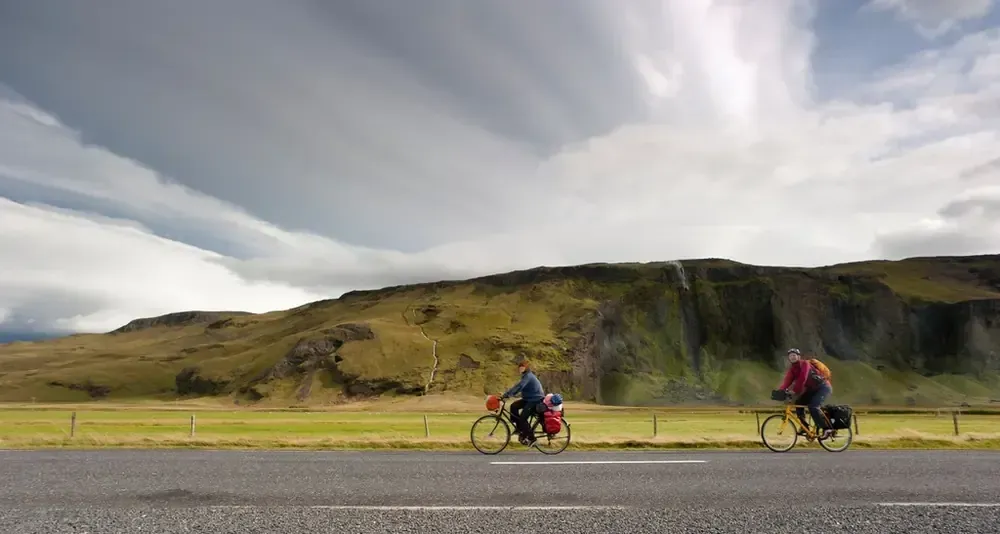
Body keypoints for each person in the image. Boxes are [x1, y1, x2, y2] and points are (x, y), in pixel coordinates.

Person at [777, 348, 833, 438]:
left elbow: (802, 378)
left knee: (813, 407)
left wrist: (794, 391)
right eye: (790, 356)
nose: (792, 357)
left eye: (794, 355)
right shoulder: (792, 370)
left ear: (798, 357)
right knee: (798, 404)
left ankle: (827, 429)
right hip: (811, 390)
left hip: (823, 388)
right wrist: (780, 391)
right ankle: (804, 427)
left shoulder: (805, 364)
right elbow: (787, 381)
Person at [501, 359, 545, 445]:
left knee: (523, 418)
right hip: (528, 398)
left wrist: (507, 395)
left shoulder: (528, 376)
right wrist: (508, 394)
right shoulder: (525, 376)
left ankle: (532, 438)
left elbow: (519, 386)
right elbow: (519, 387)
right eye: (519, 367)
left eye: (522, 367)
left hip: (535, 400)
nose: (520, 369)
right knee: (513, 406)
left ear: (526, 368)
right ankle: (519, 428)